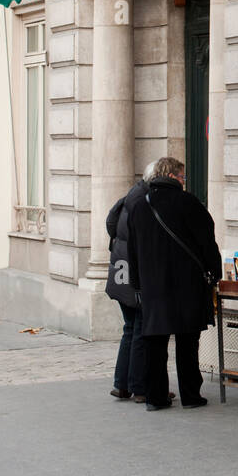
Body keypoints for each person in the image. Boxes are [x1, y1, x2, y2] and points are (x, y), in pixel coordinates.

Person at [127, 155, 222, 411]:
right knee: (187, 342)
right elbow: (207, 242)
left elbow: (132, 251)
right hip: (187, 284)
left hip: (153, 286)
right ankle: (191, 396)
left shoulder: (139, 206)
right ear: (172, 176)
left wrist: (137, 283)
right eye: (182, 176)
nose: (184, 181)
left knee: (154, 344)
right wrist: (215, 271)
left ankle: (155, 398)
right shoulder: (189, 203)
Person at [106, 161, 157, 403]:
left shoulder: (131, 196)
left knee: (130, 329)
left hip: (120, 273)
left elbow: (111, 225)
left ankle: (122, 384)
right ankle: (139, 387)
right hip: (132, 276)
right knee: (139, 330)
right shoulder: (144, 201)